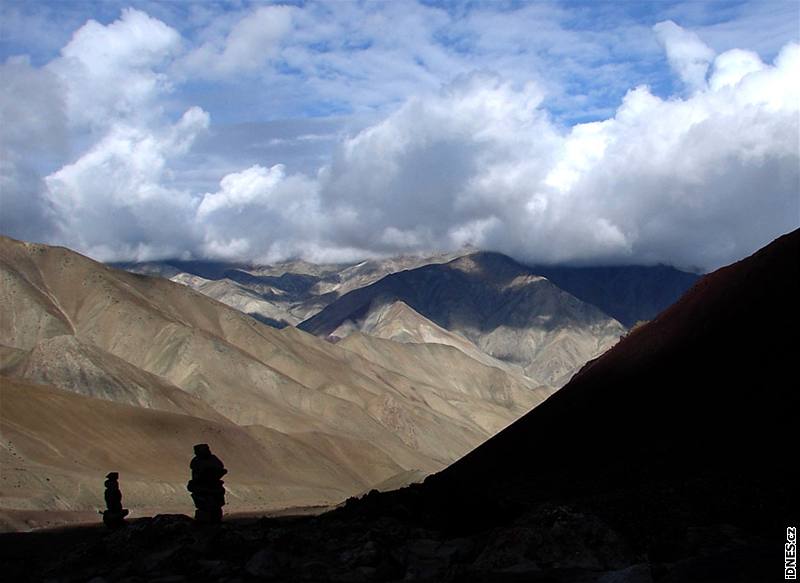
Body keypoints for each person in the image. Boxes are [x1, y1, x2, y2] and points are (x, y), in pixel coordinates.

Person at [187, 443, 227, 523]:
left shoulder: (212, 460)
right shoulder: (196, 461)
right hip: (202, 490)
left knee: (213, 511)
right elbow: (196, 475)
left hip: (211, 490)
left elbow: (219, 469)